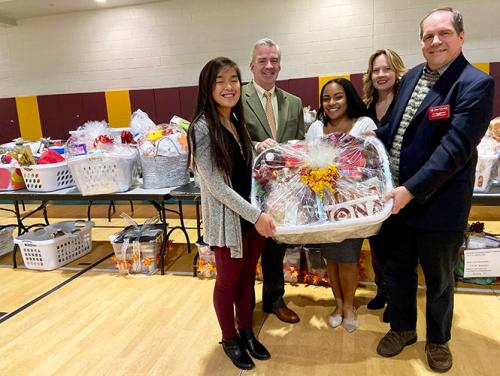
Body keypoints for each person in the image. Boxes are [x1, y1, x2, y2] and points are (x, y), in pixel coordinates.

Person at [371, 8, 494, 373]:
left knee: (439, 279)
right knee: (397, 269)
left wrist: (410, 190)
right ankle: (403, 328)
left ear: (461, 36)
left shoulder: (474, 83)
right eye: (428, 36)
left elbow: (454, 149)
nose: (435, 41)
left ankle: (438, 339)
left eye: (443, 34)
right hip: (396, 200)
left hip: (438, 205)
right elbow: (393, 128)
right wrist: (364, 141)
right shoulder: (409, 78)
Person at [187, 57, 276, 371]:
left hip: (251, 218)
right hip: (229, 222)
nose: (229, 87)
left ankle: (247, 331)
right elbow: (215, 186)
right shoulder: (200, 127)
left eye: (234, 79)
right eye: (220, 81)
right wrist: (256, 216)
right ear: (208, 87)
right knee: (227, 283)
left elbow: (245, 168)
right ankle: (229, 339)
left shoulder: (236, 121)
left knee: (247, 279)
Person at [242, 38, 305, 324]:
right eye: (263, 61)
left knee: (274, 247)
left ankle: (274, 300)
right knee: (243, 251)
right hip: (247, 188)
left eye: (274, 61)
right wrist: (256, 144)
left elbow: (300, 144)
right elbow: (231, 139)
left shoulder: (294, 103)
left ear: (280, 65)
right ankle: (241, 307)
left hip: (281, 190)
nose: (269, 66)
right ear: (252, 65)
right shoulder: (236, 98)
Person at [306, 78, 377, 332]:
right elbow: (307, 162)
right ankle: (337, 303)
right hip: (324, 205)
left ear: (348, 98)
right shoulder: (316, 128)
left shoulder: (364, 124)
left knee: (347, 258)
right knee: (331, 259)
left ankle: (349, 306)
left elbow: (373, 163)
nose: (332, 103)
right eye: (326, 98)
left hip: (353, 205)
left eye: (338, 97)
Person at [362, 49, 406, 321]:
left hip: (400, 185)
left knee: (397, 245)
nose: (381, 75)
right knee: (377, 241)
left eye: (386, 69)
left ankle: (397, 298)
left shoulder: (404, 102)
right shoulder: (366, 107)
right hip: (372, 186)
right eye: (376, 70)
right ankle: (382, 289)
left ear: (397, 71)